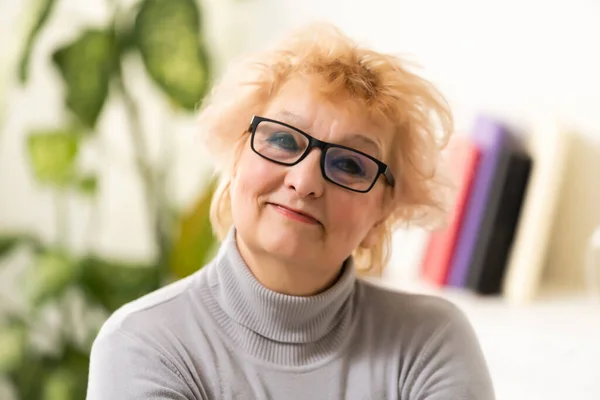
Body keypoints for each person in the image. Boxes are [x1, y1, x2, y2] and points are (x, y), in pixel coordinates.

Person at [86, 22, 495, 400]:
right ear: (236, 156)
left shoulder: (430, 341)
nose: (305, 181)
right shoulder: (142, 343)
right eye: (283, 139)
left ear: (382, 212)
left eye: (350, 164)